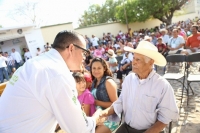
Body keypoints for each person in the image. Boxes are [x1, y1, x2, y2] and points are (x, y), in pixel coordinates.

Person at [0, 30, 106, 133]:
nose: (84, 57)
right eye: (83, 52)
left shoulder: (36, 62)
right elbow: (80, 129)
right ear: (71, 48)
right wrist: (96, 118)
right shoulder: (57, 74)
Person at [99, 41, 179, 133]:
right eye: (133, 58)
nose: (133, 62)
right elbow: (120, 102)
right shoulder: (129, 79)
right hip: (127, 127)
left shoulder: (162, 85)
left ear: (151, 62)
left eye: (138, 60)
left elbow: (165, 118)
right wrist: (104, 113)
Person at [90, 57, 118, 133]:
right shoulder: (94, 82)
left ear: (104, 68)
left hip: (110, 118)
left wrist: (95, 102)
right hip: (97, 116)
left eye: (99, 68)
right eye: (94, 68)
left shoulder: (108, 82)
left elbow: (115, 105)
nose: (96, 71)